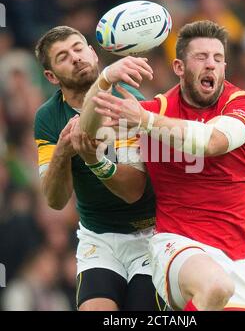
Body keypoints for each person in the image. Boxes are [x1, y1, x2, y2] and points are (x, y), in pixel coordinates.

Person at [80, 20, 245, 311]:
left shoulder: (244, 106)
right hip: (175, 246)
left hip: (237, 260)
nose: (211, 65)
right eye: (201, 57)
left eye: (218, 59)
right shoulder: (154, 110)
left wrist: (145, 121)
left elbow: (211, 142)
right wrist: (105, 79)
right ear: (179, 67)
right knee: (216, 286)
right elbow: (87, 131)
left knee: (221, 286)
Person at [33, 25, 167, 311]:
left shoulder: (130, 103)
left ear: (93, 53)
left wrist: (94, 160)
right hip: (98, 238)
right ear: (51, 76)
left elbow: (133, 191)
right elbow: (55, 201)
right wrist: (62, 152)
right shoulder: (48, 117)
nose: (76, 58)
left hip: (148, 235)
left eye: (79, 48)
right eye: (63, 56)